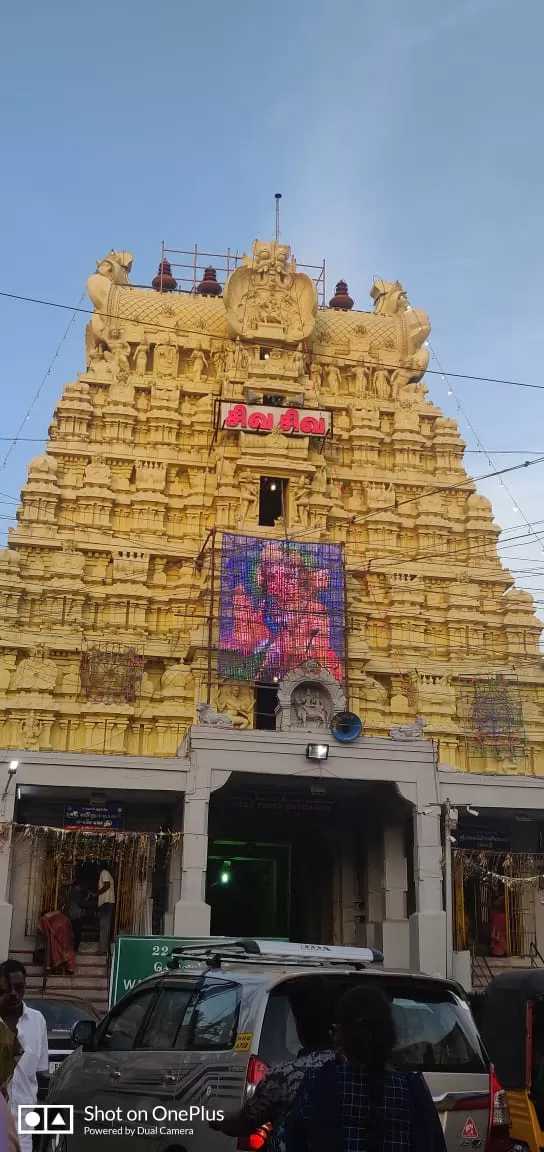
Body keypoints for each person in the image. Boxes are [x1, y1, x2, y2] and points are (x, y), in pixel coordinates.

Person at [282, 985, 446, 1152]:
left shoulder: (318, 1082)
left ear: (341, 1035)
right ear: (389, 1035)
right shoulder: (411, 1088)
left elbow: (292, 1139)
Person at [209, 983, 335, 1146]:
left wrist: (214, 1119)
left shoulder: (283, 1076)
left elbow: (244, 1122)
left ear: (298, 1023)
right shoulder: (360, 1074)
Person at [0, 960, 48, 1152]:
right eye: (7, 988)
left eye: (19, 987)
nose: (13, 993)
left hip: (24, 1125)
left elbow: (39, 1070)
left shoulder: (37, 1021)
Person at [96, 863, 115, 955]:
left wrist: (98, 893)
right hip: (107, 902)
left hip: (106, 902)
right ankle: (104, 947)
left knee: (104, 925)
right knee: (105, 925)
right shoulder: (107, 873)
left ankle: (103, 948)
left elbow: (107, 885)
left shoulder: (104, 872)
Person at [67, 880, 85, 952]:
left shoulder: (70, 893)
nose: (80, 888)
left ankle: (72, 946)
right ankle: (75, 947)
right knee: (77, 932)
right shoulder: (77, 895)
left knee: (72, 931)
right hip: (76, 916)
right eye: (79, 887)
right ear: (76, 886)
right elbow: (81, 904)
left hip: (71, 915)